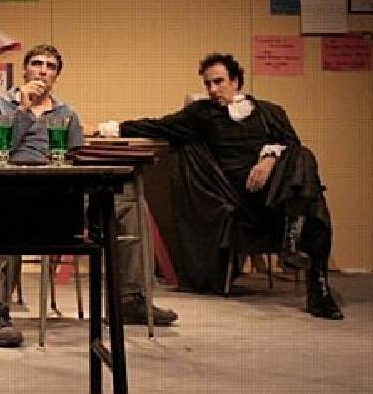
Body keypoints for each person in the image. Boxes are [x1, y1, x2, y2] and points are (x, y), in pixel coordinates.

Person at [0, 44, 177, 349]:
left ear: (56, 75)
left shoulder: (66, 114)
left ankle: (130, 300)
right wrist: (23, 111)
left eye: (51, 66)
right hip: (14, 188)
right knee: (4, 209)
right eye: (37, 64)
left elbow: (77, 157)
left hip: (62, 191)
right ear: (25, 69)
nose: (43, 71)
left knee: (130, 202)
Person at [120, 53, 343, 320]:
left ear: (235, 81)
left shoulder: (270, 111)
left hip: (277, 190)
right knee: (311, 199)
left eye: (219, 82)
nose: (213, 89)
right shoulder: (202, 113)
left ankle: (311, 270)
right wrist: (111, 128)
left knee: (306, 171)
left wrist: (268, 160)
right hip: (241, 194)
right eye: (208, 84)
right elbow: (158, 126)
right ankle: (298, 244)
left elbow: (292, 147)